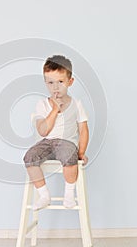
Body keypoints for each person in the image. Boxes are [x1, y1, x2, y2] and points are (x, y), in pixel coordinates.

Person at [23, 55, 89, 211]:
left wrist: (81, 152)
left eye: (60, 82)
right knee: (29, 157)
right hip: (47, 142)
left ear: (70, 82)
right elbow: (43, 130)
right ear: (45, 83)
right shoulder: (42, 105)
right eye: (50, 83)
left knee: (68, 154)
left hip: (66, 142)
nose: (55, 87)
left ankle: (69, 194)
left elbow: (83, 129)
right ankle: (44, 194)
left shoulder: (76, 104)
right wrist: (55, 109)